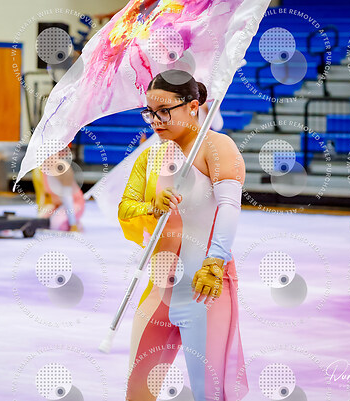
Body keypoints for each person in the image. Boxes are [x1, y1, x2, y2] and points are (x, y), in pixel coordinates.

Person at [118, 69, 247, 401]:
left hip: (204, 286)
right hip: (159, 289)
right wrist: (151, 206)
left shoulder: (217, 147)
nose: (155, 121)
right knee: (138, 392)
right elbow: (126, 208)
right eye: (150, 112)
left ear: (193, 106)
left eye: (164, 111)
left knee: (210, 393)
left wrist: (215, 262)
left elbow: (230, 206)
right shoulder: (151, 156)